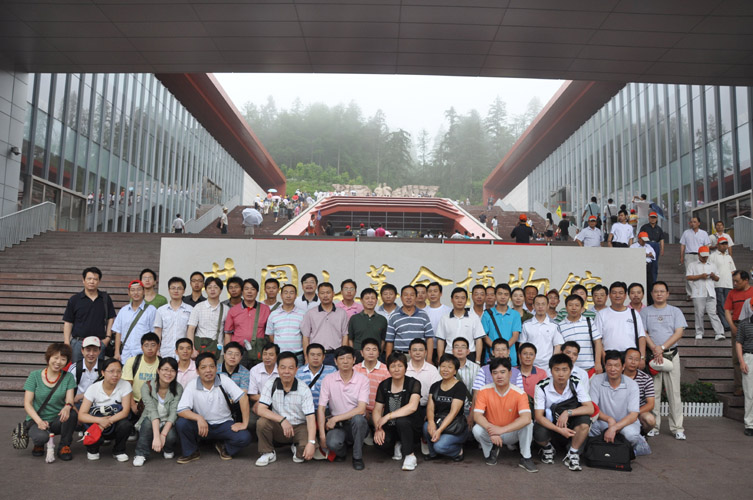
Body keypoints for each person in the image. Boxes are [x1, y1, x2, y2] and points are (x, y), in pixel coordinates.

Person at [176, 352, 252, 463]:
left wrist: (245, 423)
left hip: (224, 424)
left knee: (245, 437)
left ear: (216, 368)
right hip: (202, 426)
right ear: (197, 371)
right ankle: (191, 452)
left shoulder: (223, 380)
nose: (208, 370)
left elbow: (243, 397)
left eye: (212, 366)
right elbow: (181, 410)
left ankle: (225, 447)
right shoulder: (192, 385)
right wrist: (199, 418)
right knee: (182, 423)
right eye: (203, 367)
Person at [473, 357, 537, 472]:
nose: (499, 376)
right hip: (492, 431)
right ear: (491, 375)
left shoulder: (520, 393)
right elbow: (477, 415)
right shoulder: (483, 391)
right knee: (477, 429)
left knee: (529, 424)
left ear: (510, 373)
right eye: (495, 373)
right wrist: (492, 430)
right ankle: (490, 452)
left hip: (511, 432)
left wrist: (501, 430)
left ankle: (526, 457)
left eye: (503, 372)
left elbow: (526, 418)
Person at [640, 281, 687, 439]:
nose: (659, 294)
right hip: (653, 356)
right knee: (653, 393)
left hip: (671, 355)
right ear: (651, 294)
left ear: (667, 294)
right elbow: (643, 333)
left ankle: (677, 428)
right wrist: (655, 349)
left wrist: (662, 347)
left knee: (674, 393)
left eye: (662, 291)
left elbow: (678, 332)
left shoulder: (675, 311)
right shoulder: (645, 312)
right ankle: (654, 426)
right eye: (656, 291)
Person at [255, 352, 318, 466]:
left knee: (305, 452)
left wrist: (311, 443)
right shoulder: (271, 384)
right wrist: (282, 420)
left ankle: (297, 446)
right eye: (283, 367)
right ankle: (268, 452)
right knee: (262, 423)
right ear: (278, 369)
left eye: (291, 368)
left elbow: (310, 418)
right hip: (279, 426)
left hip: (299, 427)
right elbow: (261, 409)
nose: (286, 371)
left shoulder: (304, 389)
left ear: (296, 369)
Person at [533, 353, 593, 471]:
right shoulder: (541, 386)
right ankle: (548, 447)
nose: (561, 374)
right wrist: (559, 430)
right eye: (557, 370)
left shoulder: (576, 383)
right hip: (551, 422)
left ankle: (573, 453)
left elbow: (590, 408)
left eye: (564, 370)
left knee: (585, 421)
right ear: (551, 371)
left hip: (570, 421)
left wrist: (567, 412)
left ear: (570, 370)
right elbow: (539, 416)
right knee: (538, 432)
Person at [317, 346, 370, 470]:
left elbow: (361, 409)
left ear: (354, 360)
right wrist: (322, 436)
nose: (345, 361)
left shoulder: (363, 380)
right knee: (332, 443)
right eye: (341, 358)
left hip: (356, 424)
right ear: (335, 361)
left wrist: (335, 418)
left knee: (358, 419)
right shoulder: (328, 379)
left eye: (348, 358)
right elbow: (321, 408)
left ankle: (357, 457)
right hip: (338, 426)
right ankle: (343, 452)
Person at [23, 343, 77, 461]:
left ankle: (64, 446)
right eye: (55, 358)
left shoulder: (68, 377)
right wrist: (39, 421)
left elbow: (70, 399)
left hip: (57, 419)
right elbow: (27, 403)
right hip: (37, 420)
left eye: (63, 359)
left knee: (72, 414)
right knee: (41, 437)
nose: (58, 362)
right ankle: (38, 444)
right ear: (48, 357)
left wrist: (67, 406)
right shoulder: (34, 376)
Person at [373, 352, 423, 471]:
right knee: (380, 442)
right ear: (388, 369)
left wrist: (388, 416)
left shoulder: (413, 383)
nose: (396, 369)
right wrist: (378, 428)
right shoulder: (384, 385)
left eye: (400, 366)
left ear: (405, 367)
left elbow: (412, 407)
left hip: (411, 426)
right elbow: (377, 409)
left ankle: (410, 455)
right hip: (391, 426)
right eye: (393, 366)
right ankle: (398, 444)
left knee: (402, 421)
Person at [77, 358, 134, 462]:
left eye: (119, 371)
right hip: (97, 422)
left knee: (125, 424)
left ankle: (119, 450)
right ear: (103, 372)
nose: (115, 375)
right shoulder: (93, 388)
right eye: (111, 371)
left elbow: (125, 412)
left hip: (114, 421)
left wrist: (106, 422)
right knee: (89, 426)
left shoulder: (125, 385)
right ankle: (93, 449)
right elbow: (82, 415)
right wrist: (100, 421)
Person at [132, 357, 183, 466]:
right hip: (150, 419)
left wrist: (163, 435)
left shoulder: (178, 388)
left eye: (172, 370)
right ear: (158, 371)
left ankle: (167, 448)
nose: (168, 373)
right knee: (147, 423)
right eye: (165, 369)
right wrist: (156, 436)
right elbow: (152, 411)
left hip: (167, 421)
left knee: (171, 436)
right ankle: (141, 453)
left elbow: (174, 412)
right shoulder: (147, 386)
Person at [589, 351, 643, 450]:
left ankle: (623, 450)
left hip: (625, 423)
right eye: (609, 365)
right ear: (605, 366)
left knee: (631, 435)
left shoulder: (632, 384)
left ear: (623, 367)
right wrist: (609, 419)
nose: (612, 369)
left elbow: (633, 415)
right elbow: (593, 408)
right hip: (604, 421)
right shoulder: (596, 380)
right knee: (588, 426)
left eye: (616, 365)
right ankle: (598, 449)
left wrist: (614, 427)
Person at [63, 266, 116, 362]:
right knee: (76, 369)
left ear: (99, 281)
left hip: (98, 343)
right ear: (83, 280)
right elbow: (68, 322)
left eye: (95, 279)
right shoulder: (74, 299)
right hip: (78, 343)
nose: (92, 281)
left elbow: (111, 318)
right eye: (89, 279)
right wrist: (67, 342)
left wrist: (107, 338)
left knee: (97, 370)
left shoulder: (105, 299)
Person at [423, 354, 468, 461]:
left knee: (440, 446)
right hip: (438, 421)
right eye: (443, 366)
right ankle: (433, 453)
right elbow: (430, 407)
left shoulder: (460, 387)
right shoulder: (435, 386)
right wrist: (431, 422)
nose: (445, 370)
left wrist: (439, 430)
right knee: (426, 426)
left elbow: (453, 413)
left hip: (455, 426)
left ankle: (458, 451)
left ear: (455, 371)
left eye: (450, 367)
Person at [224, 278, 271, 368]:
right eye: (246, 289)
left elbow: (270, 333)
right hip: (238, 351)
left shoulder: (265, 309)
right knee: (238, 374)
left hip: (258, 350)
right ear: (242, 291)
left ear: (257, 292)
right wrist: (227, 353)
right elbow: (228, 334)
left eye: (253, 289)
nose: (249, 292)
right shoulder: (233, 310)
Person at [597, 282, 647, 366]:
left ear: (625, 295)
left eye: (620, 293)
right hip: (609, 355)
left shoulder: (633, 313)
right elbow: (598, 339)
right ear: (609, 295)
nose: (617, 296)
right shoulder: (602, 314)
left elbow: (641, 337)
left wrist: (642, 358)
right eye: (614, 293)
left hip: (630, 355)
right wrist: (603, 356)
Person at [122, 332, 161, 437]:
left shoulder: (162, 364)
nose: (150, 348)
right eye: (146, 345)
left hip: (155, 403)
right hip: (134, 400)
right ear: (141, 347)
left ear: (158, 346)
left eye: (153, 345)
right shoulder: (132, 361)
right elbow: (126, 386)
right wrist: (133, 405)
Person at [301, 282, 348, 366]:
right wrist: (306, 357)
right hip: (316, 355)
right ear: (318, 295)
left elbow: (345, 335)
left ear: (333, 294)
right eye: (322, 293)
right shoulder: (311, 313)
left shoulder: (342, 313)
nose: (325, 296)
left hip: (335, 354)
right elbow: (305, 336)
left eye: (328, 293)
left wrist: (343, 355)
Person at [385, 285, 434, 361]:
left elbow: (429, 338)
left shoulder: (423, 315)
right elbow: (389, 341)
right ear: (401, 297)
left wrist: (429, 359)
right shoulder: (394, 316)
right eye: (405, 295)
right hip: (400, 357)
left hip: (419, 356)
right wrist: (388, 361)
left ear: (416, 297)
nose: (408, 297)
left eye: (412, 295)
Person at [113, 280, 157, 364]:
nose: (136, 292)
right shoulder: (123, 310)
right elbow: (118, 332)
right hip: (125, 355)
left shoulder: (151, 310)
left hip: (143, 355)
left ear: (144, 291)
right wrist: (117, 352)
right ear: (128, 293)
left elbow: (154, 333)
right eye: (133, 290)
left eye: (139, 289)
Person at [557, 294, 603, 375]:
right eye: (570, 305)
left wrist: (598, 362)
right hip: (569, 369)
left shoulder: (589, 321)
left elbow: (598, 342)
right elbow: (559, 347)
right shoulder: (560, 326)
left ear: (582, 308)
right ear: (566, 307)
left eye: (577, 305)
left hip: (589, 367)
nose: (574, 308)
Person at [687, 246, 725, 341]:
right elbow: (688, 277)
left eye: (706, 256)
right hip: (698, 292)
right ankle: (699, 332)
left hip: (710, 292)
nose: (704, 258)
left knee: (713, 313)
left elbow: (717, 278)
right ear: (698, 255)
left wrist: (713, 276)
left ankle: (719, 332)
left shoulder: (712, 265)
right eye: (703, 256)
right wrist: (700, 276)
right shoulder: (692, 265)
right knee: (699, 314)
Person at [436, 287, 485, 360]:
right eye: (457, 298)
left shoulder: (474, 318)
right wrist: (440, 359)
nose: (460, 301)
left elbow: (478, 340)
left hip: (469, 355)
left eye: (463, 298)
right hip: (450, 355)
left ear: (466, 300)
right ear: (451, 300)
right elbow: (440, 340)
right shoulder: (444, 318)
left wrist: (478, 360)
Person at [186, 277, 228, 359]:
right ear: (205, 290)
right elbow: (191, 329)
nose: (212, 290)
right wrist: (192, 349)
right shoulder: (198, 307)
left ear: (221, 290)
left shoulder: (226, 309)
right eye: (209, 287)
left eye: (215, 287)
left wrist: (227, 352)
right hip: (199, 350)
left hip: (218, 352)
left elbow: (227, 334)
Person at [726, 271, 753, 396]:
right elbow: (727, 310)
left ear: (746, 280)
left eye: (737, 281)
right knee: (737, 357)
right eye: (734, 281)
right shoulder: (732, 293)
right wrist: (732, 326)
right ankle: (739, 386)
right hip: (737, 325)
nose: (735, 283)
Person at [520, 295, 563, 370]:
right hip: (530, 365)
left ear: (548, 306)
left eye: (543, 304)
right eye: (538, 304)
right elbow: (521, 345)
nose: (540, 307)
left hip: (548, 366)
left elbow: (557, 346)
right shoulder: (526, 325)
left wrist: (553, 364)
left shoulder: (554, 325)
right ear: (533, 306)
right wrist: (523, 364)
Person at [405, 338, 442, 427]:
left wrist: (430, 411)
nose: (417, 353)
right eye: (414, 350)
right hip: (406, 407)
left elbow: (436, 391)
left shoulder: (432, 369)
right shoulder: (403, 368)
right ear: (409, 352)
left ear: (425, 352)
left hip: (426, 407)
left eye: (421, 350)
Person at [481, 284, 521, 365]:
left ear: (509, 297)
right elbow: (484, 336)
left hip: (510, 357)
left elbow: (515, 336)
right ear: (495, 296)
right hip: (492, 357)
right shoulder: (487, 314)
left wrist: (503, 350)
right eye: (500, 294)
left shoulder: (515, 314)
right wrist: (496, 350)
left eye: (506, 294)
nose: (503, 297)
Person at [154, 276, 193, 359]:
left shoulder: (190, 310)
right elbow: (158, 332)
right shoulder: (161, 310)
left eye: (179, 288)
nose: (176, 291)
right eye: (173, 288)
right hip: (165, 352)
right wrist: (157, 350)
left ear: (184, 291)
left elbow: (191, 332)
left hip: (184, 353)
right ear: (169, 290)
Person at [266, 283, 306, 360]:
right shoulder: (273, 314)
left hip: (298, 355)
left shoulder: (303, 314)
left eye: (291, 293)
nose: (288, 296)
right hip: (279, 355)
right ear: (281, 295)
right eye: (285, 293)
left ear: (296, 296)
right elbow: (271, 335)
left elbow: (305, 335)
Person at [353, 338, 390, 418]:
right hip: (359, 411)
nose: (371, 352)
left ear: (378, 353)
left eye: (374, 349)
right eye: (368, 349)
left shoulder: (386, 370)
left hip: (380, 411)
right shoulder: (355, 369)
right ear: (362, 353)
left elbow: (388, 395)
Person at [248, 343, 280, 433]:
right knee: (250, 422)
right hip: (261, 403)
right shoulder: (255, 370)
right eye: (265, 354)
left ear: (277, 356)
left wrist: (265, 399)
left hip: (279, 404)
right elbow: (253, 396)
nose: (267, 357)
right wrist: (265, 401)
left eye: (271, 354)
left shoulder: (282, 369)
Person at [622, 348, 655, 435]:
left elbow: (651, 404)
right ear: (624, 359)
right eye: (630, 358)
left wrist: (634, 413)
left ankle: (642, 434)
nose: (633, 362)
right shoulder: (617, 375)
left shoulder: (646, 378)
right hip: (618, 409)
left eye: (636, 360)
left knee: (650, 420)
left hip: (638, 410)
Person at [348, 288, 388, 354]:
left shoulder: (382, 319)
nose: (370, 301)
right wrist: (353, 353)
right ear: (361, 300)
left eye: (373, 298)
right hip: (358, 353)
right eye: (367, 298)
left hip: (375, 354)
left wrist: (379, 353)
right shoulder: (354, 318)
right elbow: (350, 339)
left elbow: (383, 340)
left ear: (376, 300)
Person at [680, 216, 711, 299]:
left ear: (699, 223)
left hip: (700, 255)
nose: (692, 223)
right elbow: (682, 245)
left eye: (694, 222)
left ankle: (700, 292)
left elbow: (706, 246)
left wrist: (707, 256)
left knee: (699, 273)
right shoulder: (686, 233)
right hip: (689, 255)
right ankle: (690, 293)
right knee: (689, 274)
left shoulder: (704, 233)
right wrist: (681, 256)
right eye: (691, 222)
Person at [710, 237, 735, 334]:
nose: (724, 246)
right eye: (722, 244)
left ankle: (727, 322)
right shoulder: (713, 256)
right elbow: (710, 269)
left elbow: (733, 270)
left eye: (726, 244)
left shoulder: (729, 257)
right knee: (721, 304)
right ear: (717, 245)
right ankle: (726, 324)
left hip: (728, 284)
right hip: (718, 284)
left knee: (727, 305)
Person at [69, 337, 104, 407]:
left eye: (95, 350)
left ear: (99, 351)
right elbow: (68, 389)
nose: (91, 354)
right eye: (88, 350)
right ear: (82, 350)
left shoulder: (105, 367)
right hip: (79, 403)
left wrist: (82, 395)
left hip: (99, 403)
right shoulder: (75, 368)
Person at [736, 313, 753, 436]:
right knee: (749, 393)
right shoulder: (744, 323)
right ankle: (750, 424)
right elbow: (738, 343)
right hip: (749, 357)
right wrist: (741, 361)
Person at [639, 212, 665, 283]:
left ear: (656, 219)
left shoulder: (659, 229)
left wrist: (662, 249)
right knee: (646, 263)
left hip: (656, 245)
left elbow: (662, 239)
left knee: (654, 264)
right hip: (647, 244)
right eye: (651, 217)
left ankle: (653, 281)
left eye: (654, 218)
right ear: (649, 218)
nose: (653, 219)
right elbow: (640, 237)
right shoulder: (644, 227)